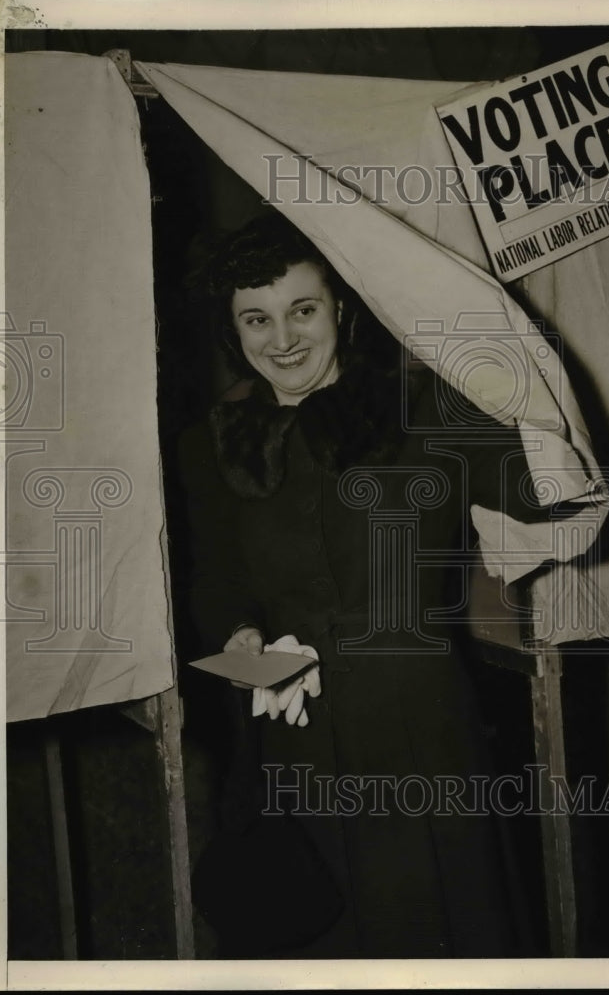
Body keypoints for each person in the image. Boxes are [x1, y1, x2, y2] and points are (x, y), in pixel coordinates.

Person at [178, 212, 543, 958]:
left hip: (422, 730)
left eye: (302, 310)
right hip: (289, 738)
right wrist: (249, 652)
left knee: (437, 937)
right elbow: (214, 592)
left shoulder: (432, 410)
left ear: (341, 307)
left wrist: (509, 369)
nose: (281, 339)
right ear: (233, 330)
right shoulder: (210, 443)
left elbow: (547, 496)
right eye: (256, 318)